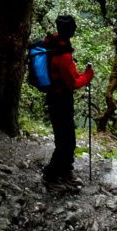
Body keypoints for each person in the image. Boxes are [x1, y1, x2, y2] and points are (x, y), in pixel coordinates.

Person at [43, 14, 94, 189]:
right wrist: (87, 76)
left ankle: (64, 172)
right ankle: (53, 176)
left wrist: (79, 75)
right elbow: (73, 83)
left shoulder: (54, 44)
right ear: (71, 31)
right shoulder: (62, 55)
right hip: (61, 100)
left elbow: (68, 76)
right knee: (66, 140)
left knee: (65, 138)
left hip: (55, 98)